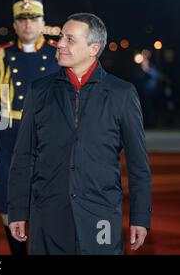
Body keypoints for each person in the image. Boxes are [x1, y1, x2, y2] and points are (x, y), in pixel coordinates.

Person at [8, 13, 152, 255]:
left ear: (93, 48)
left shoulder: (122, 93)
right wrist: (18, 211)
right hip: (48, 217)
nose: (60, 43)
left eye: (70, 39)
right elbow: (23, 156)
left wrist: (140, 217)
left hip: (101, 217)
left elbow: (139, 164)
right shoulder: (39, 91)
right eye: (61, 37)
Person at [0, 0, 59, 255]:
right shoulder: (1, 56)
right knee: (9, 200)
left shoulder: (59, 55)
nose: (28, 24)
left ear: (43, 22)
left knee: (49, 198)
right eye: (22, 19)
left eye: (34, 18)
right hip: (10, 136)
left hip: (49, 137)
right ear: (14, 24)